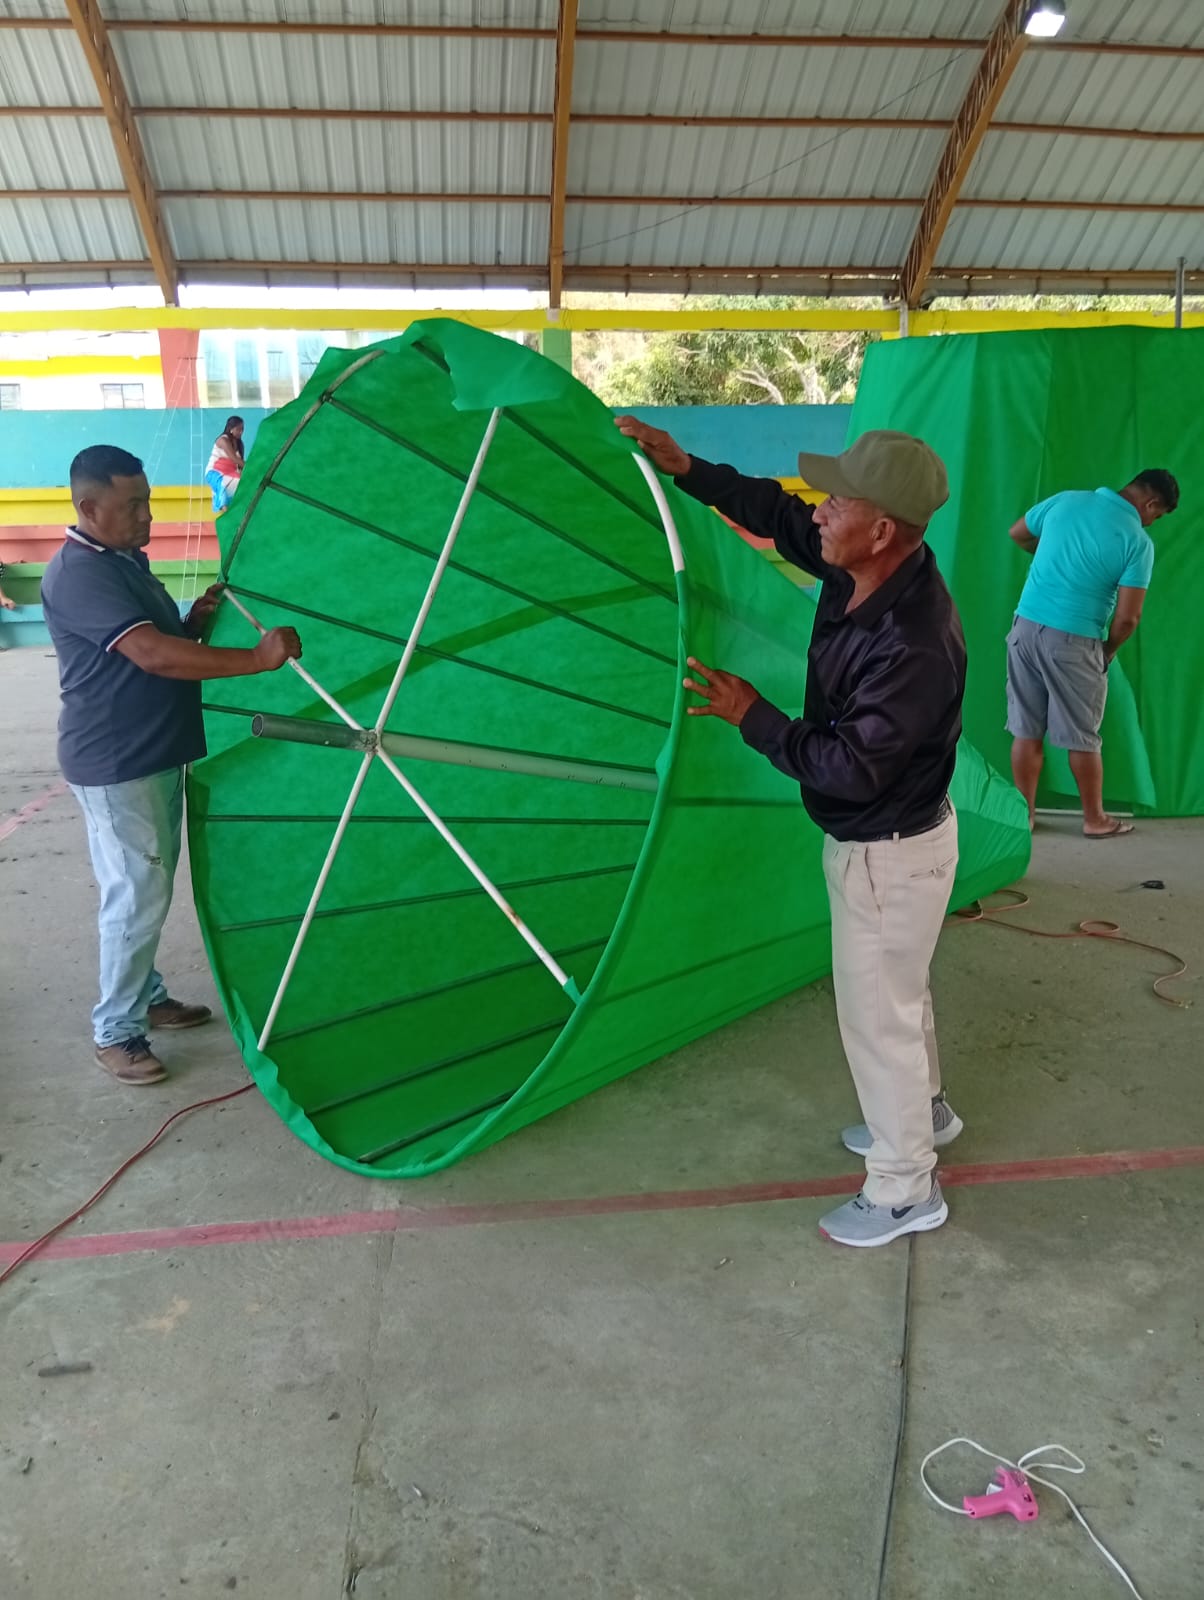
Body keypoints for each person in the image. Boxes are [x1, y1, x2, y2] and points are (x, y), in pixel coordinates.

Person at [617, 418, 966, 1248]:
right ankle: (923, 1113)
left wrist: (753, 715)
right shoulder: (865, 565)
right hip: (898, 844)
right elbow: (776, 513)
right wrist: (687, 467)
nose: (818, 509)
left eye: (837, 500)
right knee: (901, 995)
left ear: (881, 530)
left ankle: (903, 1189)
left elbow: (850, 768)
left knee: (877, 1018)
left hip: (886, 855)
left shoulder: (912, 643)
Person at [40, 444, 302, 1086]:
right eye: (132, 505)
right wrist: (255, 660)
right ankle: (116, 1030)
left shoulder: (123, 560)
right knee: (136, 894)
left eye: (148, 501)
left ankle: (147, 996)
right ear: (89, 508)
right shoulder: (80, 573)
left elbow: (163, 641)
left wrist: (196, 624)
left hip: (151, 753)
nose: (147, 516)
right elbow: (153, 656)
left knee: (145, 888)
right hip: (118, 762)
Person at [1006, 469, 1179, 838]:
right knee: (1082, 737)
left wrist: (1052, 555)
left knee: (1026, 730)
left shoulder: (1066, 500)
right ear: (1151, 503)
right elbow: (1128, 617)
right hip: (1074, 639)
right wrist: (1107, 651)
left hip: (1024, 627)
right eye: (1158, 515)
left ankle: (1025, 816)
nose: (1152, 522)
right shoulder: (1137, 541)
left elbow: (1017, 533)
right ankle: (1095, 819)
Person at [205, 415, 245, 513]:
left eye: (242, 429)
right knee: (222, 484)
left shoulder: (239, 444)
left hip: (231, 473)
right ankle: (226, 513)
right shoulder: (223, 440)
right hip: (215, 472)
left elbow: (240, 466)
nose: (241, 432)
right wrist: (252, 467)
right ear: (231, 429)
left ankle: (237, 511)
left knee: (242, 484)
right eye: (238, 429)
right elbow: (234, 459)